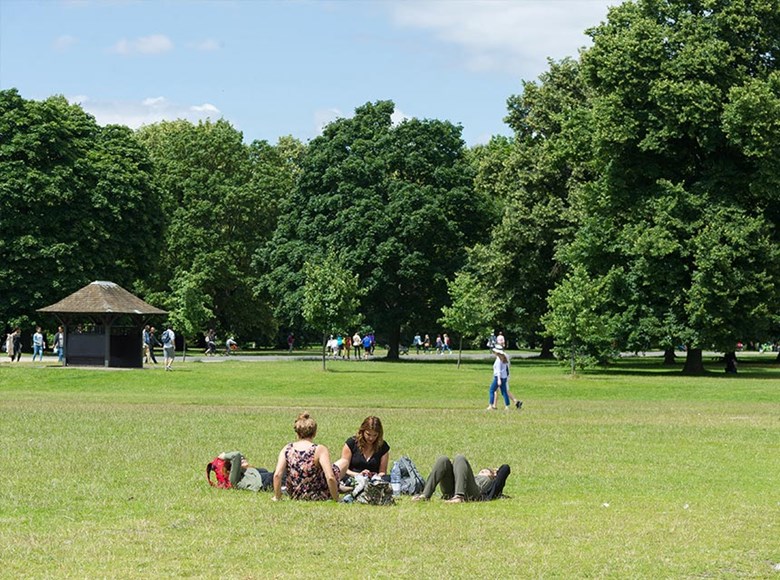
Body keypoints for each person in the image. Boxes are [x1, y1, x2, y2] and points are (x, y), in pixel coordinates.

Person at [273, 412, 341, 501]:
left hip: (295, 495)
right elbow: (330, 477)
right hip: (317, 496)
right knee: (334, 468)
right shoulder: (319, 449)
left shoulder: (287, 449)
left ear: (297, 433)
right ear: (314, 433)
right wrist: (336, 499)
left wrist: (277, 497)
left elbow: (277, 475)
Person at [412, 455, 510, 503]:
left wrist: (496, 473)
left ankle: (459, 497)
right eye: (481, 471)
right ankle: (425, 495)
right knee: (443, 460)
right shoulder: (469, 476)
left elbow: (505, 468)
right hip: (452, 489)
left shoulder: (493, 484)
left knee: (460, 458)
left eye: (485, 472)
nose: (482, 472)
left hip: (473, 494)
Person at [339, 416, 390, 480]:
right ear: (362, 431)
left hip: (372, 481)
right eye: (368, 434)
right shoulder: (351, 443)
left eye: (375, 435)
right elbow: (343, 469)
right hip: (352, 479)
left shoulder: (383, 447)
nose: (371, 438)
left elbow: (382, 472)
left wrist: (373, 476)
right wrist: (359, 475)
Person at [487, 346, 510, 410]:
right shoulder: (504, 358)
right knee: (504, 392)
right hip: (504, 377)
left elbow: (498, 370)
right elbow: (505, 370)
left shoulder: (498, 360)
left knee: (491, 390)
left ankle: (490, 405)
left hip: (498, 377)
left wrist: (499, 379)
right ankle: (507, 406)